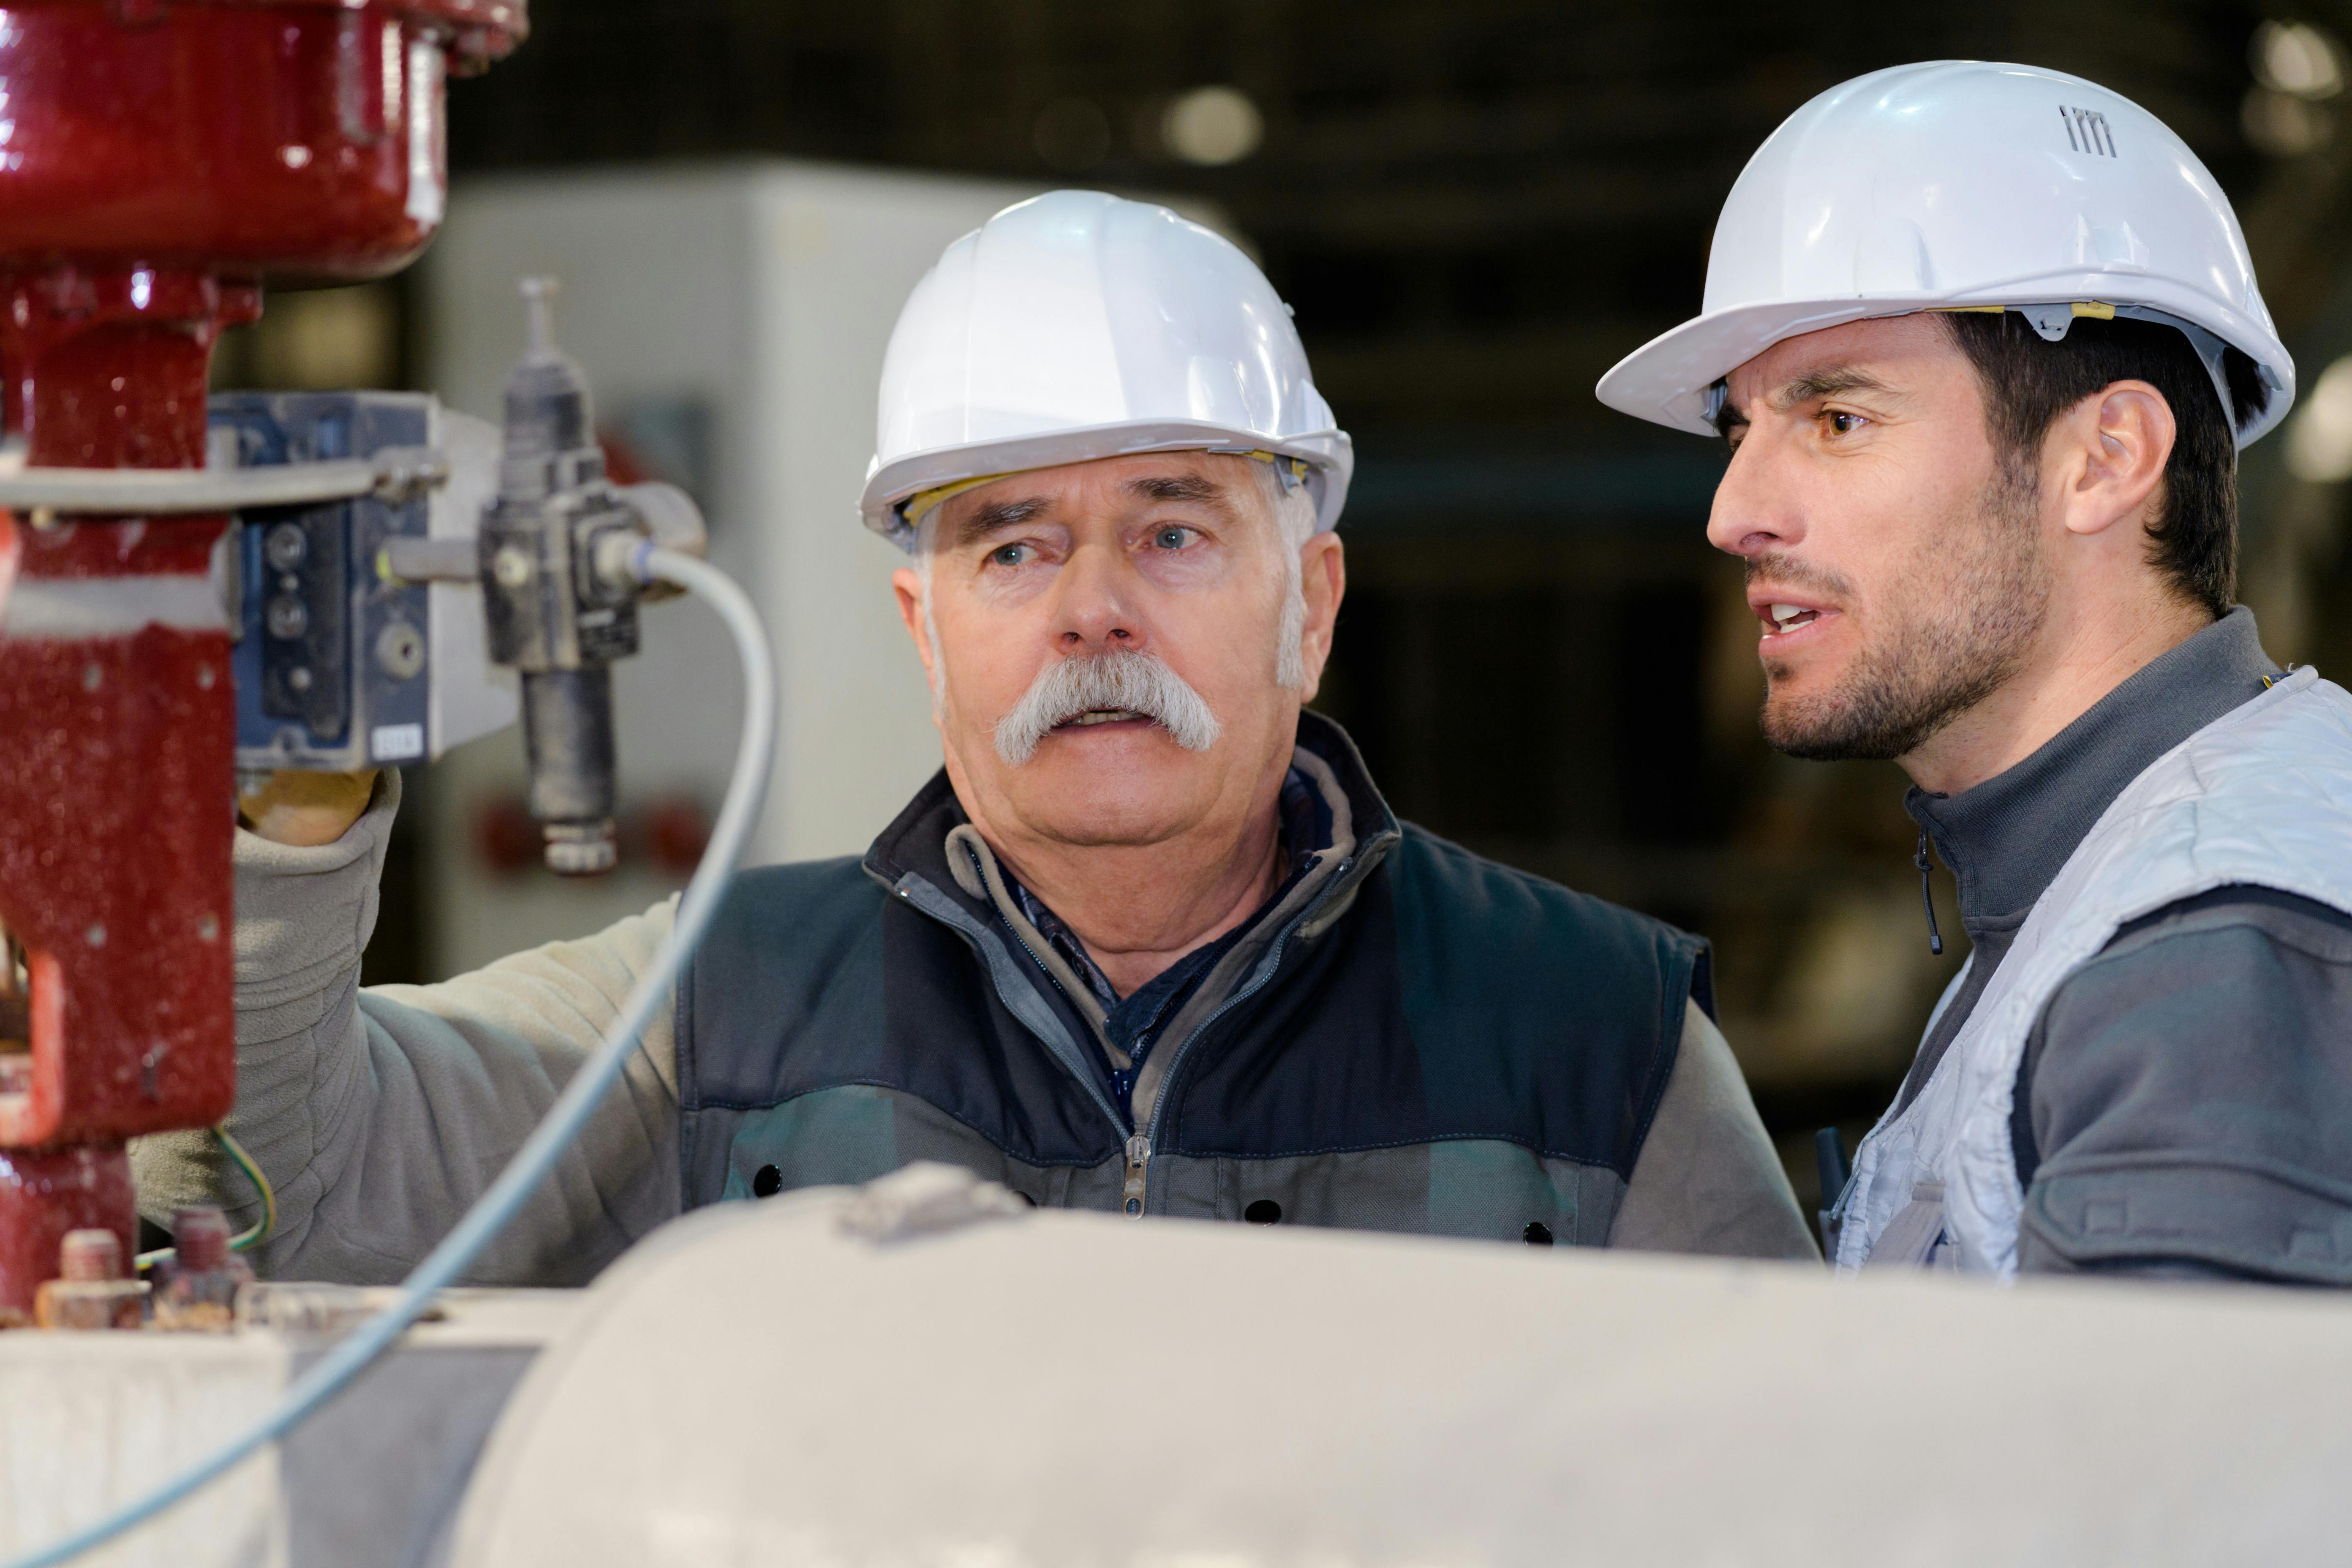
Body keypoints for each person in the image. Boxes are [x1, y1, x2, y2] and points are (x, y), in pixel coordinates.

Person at [138, 191, 1813, 1283]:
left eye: (1171, 529)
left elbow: (1812, 1492)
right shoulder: (709, 1019)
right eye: (1012, 543)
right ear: (925, 626)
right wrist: (300, 795)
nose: (1092, 607)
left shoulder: (1601, 1044)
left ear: (1313, 599)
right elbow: (280, 1187)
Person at [1601, 62, 2352, 1282]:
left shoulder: (2221, 956)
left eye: (1838, 420)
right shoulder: (2098, 888)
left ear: (2104, 460)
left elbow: (2180, 1479)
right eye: (1743, 432)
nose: (1734, 513)